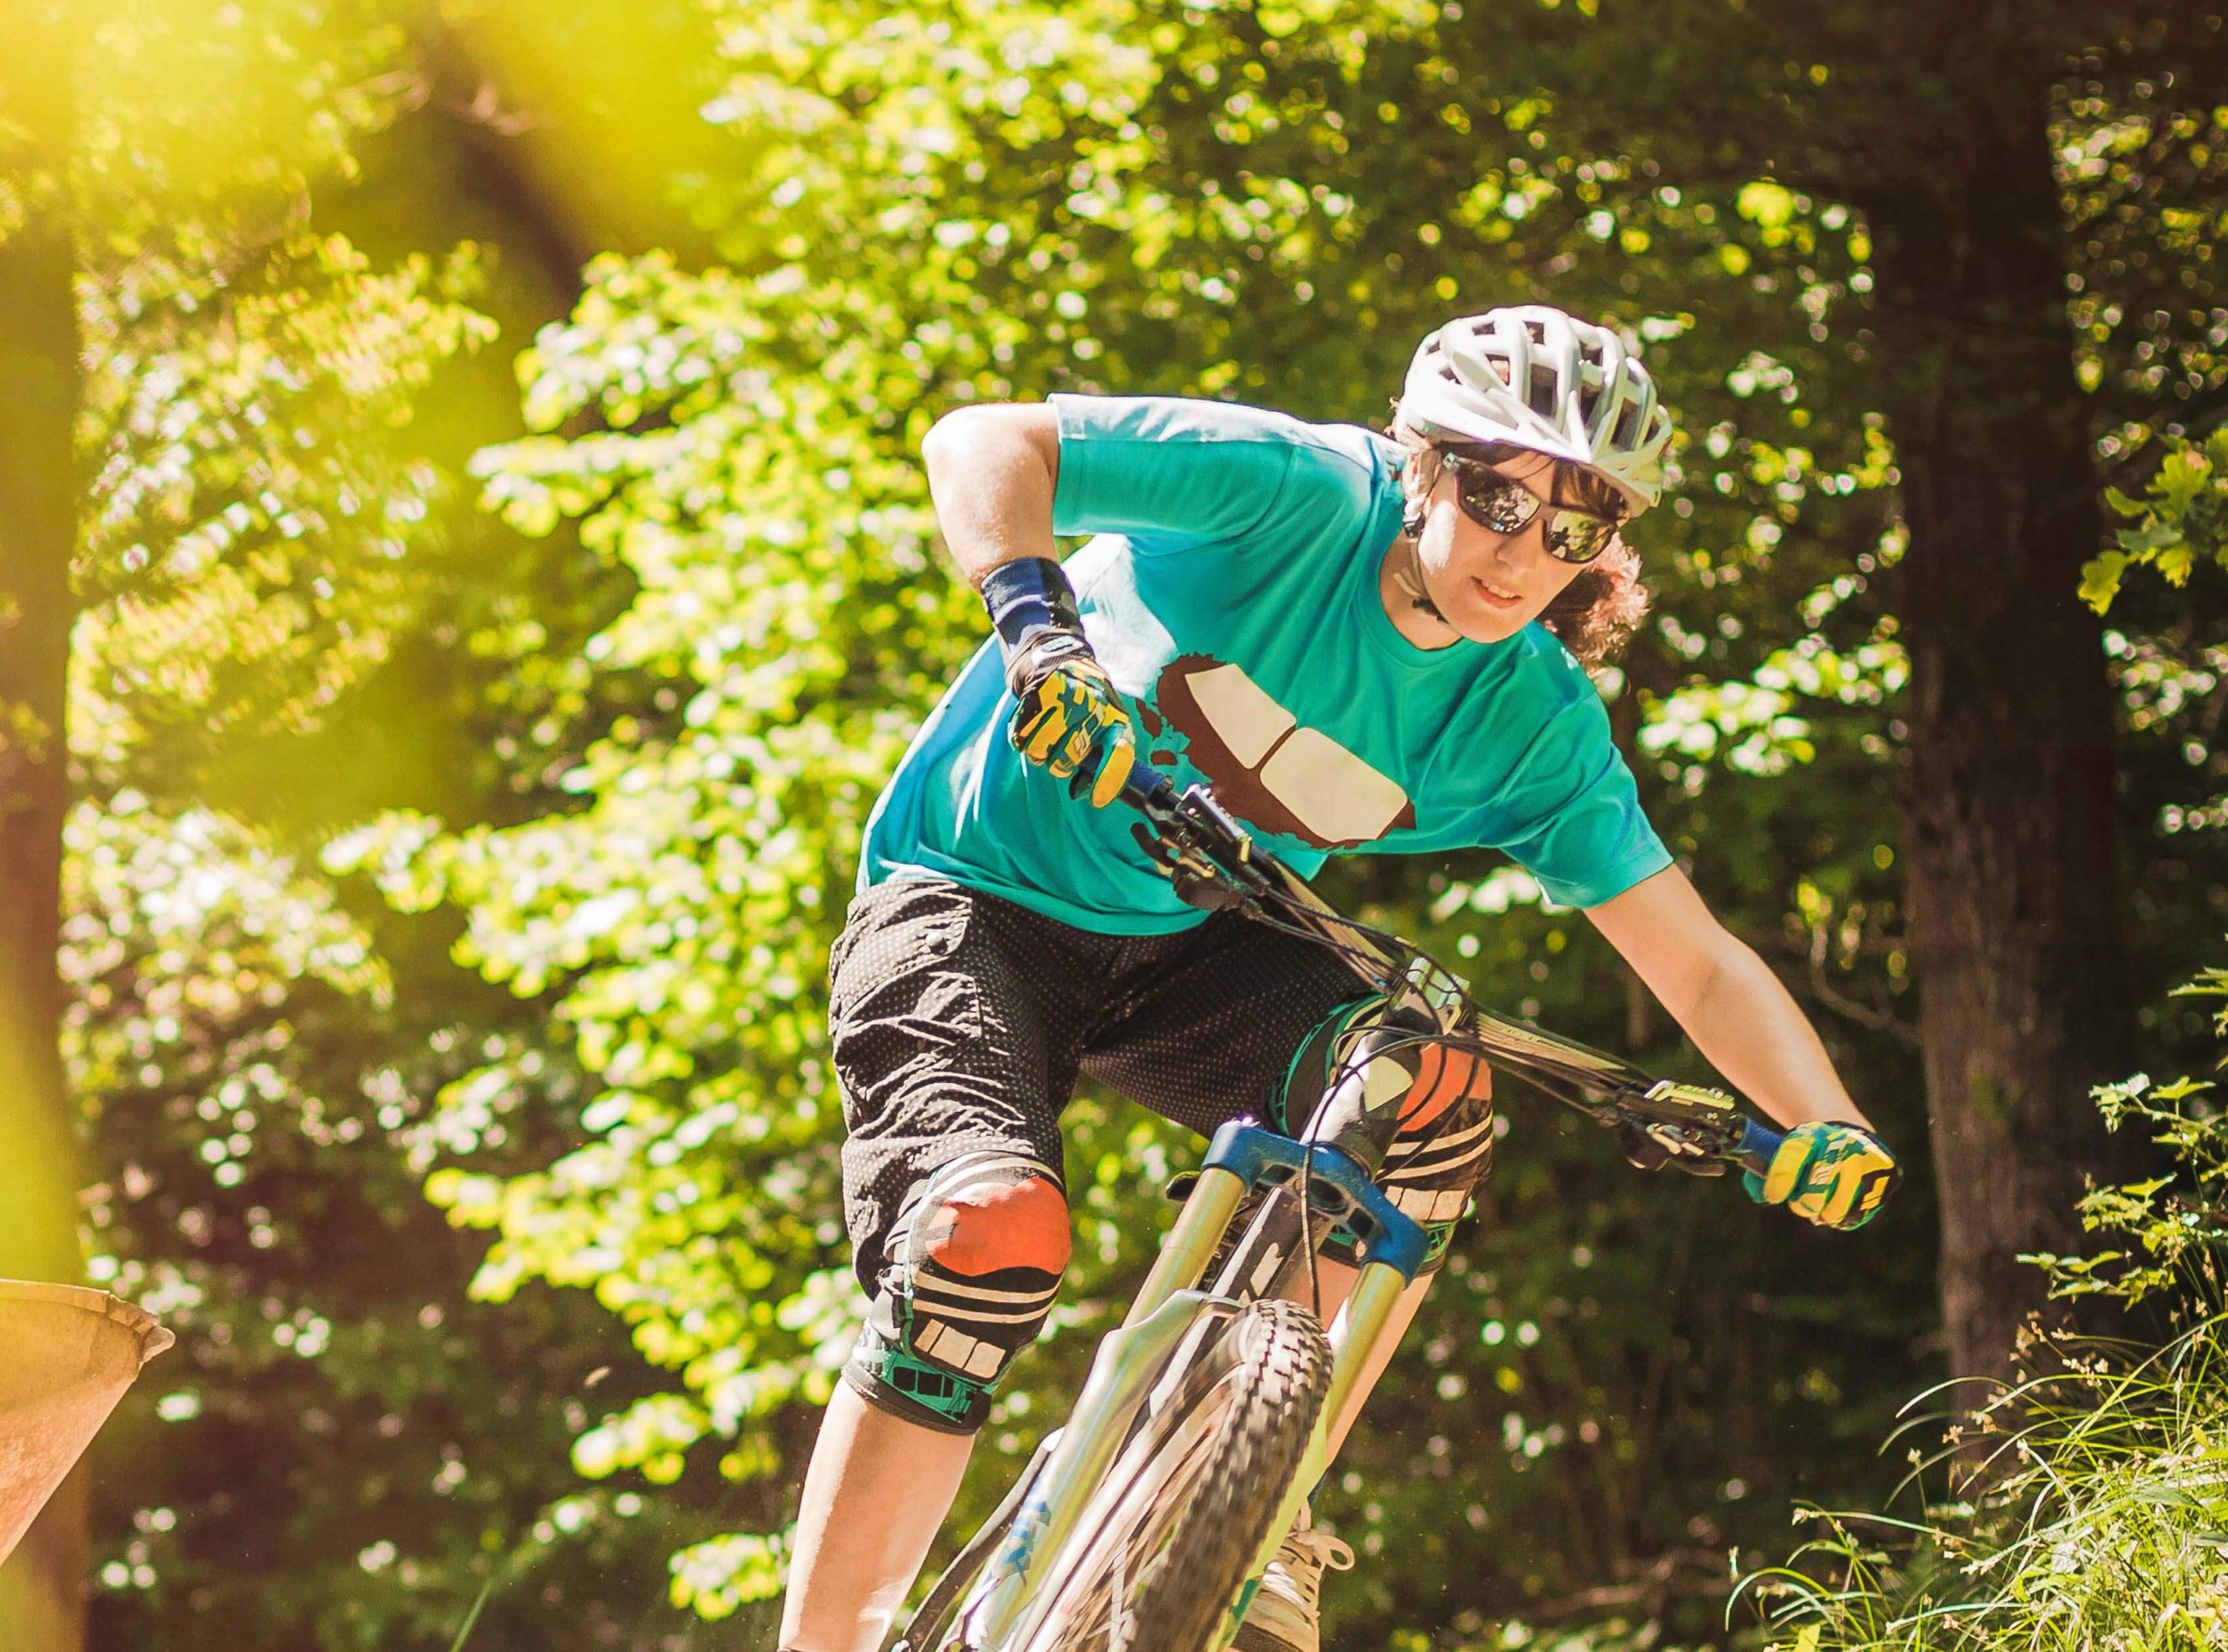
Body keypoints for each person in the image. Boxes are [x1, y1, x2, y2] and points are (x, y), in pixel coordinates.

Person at [779, 306, 1897, 1652]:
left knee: (1429, 1088)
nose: (1522, 551)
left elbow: (1700, 961)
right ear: (1426, 464)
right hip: (968, 895)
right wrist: (1040, 635)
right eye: (1498, 495)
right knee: (991, 1238)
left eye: (1573, 528)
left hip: (1199, 938)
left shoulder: (1530, 720)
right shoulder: (1289, 493)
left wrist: (1826, 1123)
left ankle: (1259, 1504)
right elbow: (985, 440)